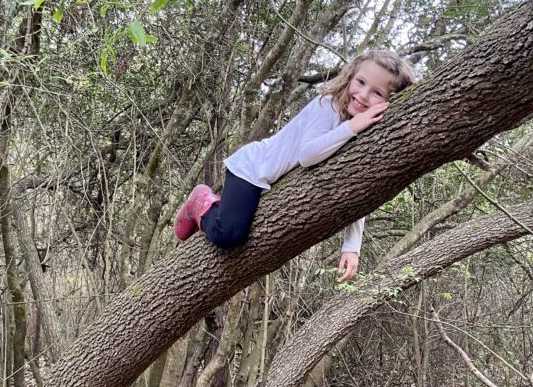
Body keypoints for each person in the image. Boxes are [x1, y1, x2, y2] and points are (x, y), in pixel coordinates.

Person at [173, 48, 415, 281]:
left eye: (377, 93)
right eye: (360, 82)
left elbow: (356, 186)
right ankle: (202, 201)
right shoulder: (328, 105)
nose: (363, 95)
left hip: (268, 182)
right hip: (252, 169)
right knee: (229, 236)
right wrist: (351, 127)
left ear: (387, 103)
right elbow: (307, 154)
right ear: (350, 75)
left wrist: (352, 247)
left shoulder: (360, 131)